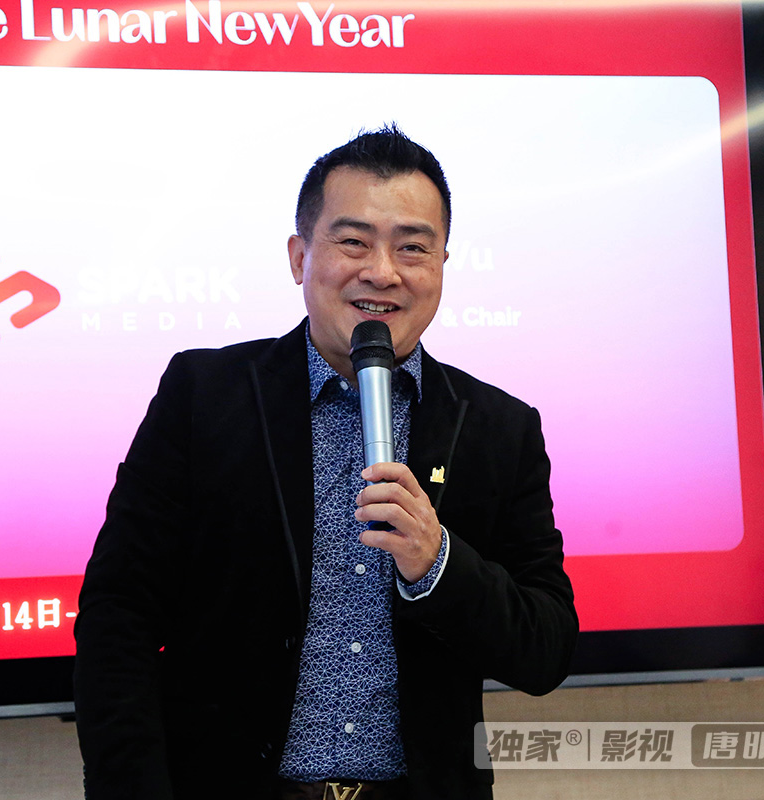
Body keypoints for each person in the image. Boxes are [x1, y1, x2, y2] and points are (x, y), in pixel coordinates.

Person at [73, 124, 578, 800]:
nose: (383, 272)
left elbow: (545, 649)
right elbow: (119, 617)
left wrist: (438, 563)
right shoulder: (204, 396)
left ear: (441, 264)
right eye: (353, 242)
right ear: (299, 256)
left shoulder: (499, 428)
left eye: (412, 247)